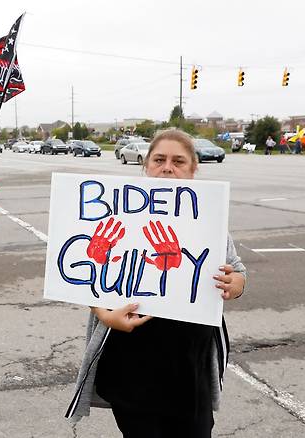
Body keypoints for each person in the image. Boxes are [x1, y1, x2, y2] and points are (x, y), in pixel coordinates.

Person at [66, 128, 246, 438]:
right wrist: (103, 314)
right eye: (159, 159)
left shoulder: (207, 219)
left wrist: (236, 282)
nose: (167, 167)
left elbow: (238, 271)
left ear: (193, 169)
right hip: (131, 362)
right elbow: (82, 280)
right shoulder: (118, 213)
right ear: (146, 165)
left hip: (191, 366)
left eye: (179, 161)